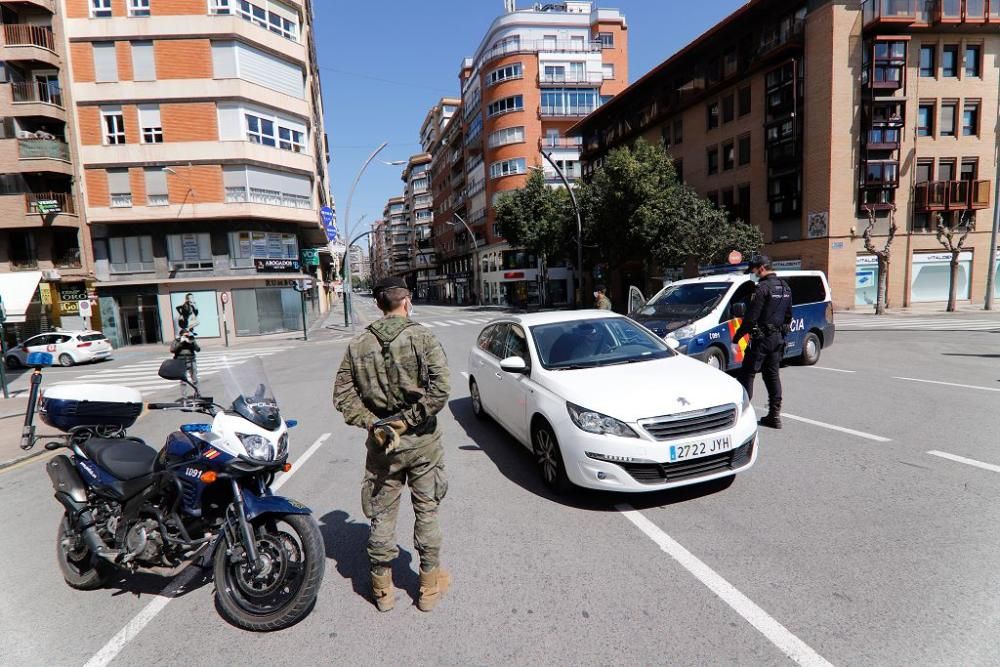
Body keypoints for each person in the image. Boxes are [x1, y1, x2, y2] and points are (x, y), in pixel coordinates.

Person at [333, 276, 452, 613]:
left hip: (383, 445)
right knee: (427, 509)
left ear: (378, 304)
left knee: (382, 515)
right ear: (406, 301)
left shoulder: (358, 344)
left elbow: (342, 396)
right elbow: (441, 389)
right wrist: (410, 419)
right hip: (423, 443)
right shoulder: (422, 337)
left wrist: (376, 424)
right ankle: (428, 587)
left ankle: (382, 590)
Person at [734, 256, 793, 429]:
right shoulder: (785, 287)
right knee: (772, 375)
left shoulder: (762, 288)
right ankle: (775, 416)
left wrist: (737, 337)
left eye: (753, 271)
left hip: (761, 340)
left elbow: (751, 318)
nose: (753, 274)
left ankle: (743, 414)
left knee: (747, 374)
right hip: (777, 339)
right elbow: (789, 316)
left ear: (761, 268)